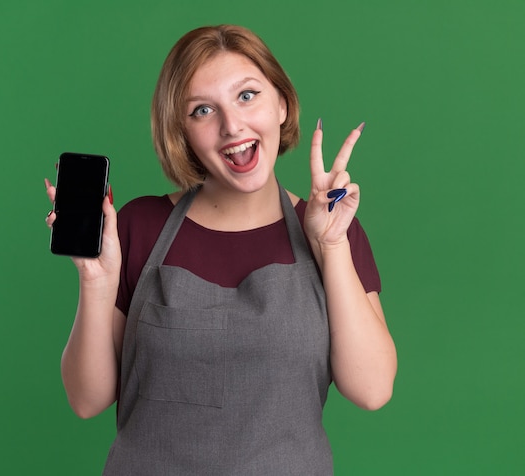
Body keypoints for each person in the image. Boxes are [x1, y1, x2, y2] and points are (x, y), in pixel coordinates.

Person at [45, 24, 397, 476]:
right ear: (183, 132)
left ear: (282, 104)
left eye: (247, 96)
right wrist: (94, 281)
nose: (232, 126)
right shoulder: (140, 225)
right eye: (203, 110)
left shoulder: (333, 228)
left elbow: (371, 390)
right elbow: (86, 400)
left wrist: (331, 246)